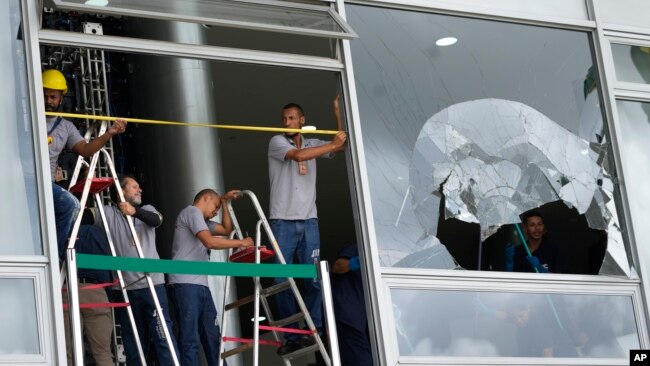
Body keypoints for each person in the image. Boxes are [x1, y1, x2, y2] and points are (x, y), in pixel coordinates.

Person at [268, 96, 347, 355]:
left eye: (291, 118)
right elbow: (299, 155)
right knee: (282, 279)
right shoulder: (277, 141)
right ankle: (293, 335)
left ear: (302, 120)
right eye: (284, 118)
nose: (287, 122)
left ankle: (315, 329)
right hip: (282, 222)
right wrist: (332, 145)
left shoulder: (313, 142)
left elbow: (342, 145)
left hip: (309, 220)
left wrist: (338, 112)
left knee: (314, 279)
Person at [85, 175, 179, 365]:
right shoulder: (109, 213)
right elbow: (84, 216)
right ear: (122, 190)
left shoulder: (147, 210)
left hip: (153, 284)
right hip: (125, 288)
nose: (140, 190)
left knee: (162, 337)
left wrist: (134, 211)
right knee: (132, 343)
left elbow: (157, 220)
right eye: (134, 187)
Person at [42, 69, 127, 257]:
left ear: (61, 98)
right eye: (45, 95)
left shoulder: (66, 127)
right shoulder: (26, 116)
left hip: (45, 184)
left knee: (71, 206)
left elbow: (86, 150)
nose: (48, 101)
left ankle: (55, 256)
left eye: (53, 97)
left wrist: (109, 133)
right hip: (22, 179)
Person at [168, 189, 254, 365]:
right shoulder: (192, 212)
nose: (216, 212)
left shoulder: (202, 220)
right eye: (215, 207)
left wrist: (223, 202)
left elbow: (225, 229)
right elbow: (210, 242)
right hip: (185, 283)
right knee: (190, 338)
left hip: (200, 285)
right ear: (205, 198)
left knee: (212, 338)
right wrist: (241, 243)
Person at [62, 225, 114, 366]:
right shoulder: (97, 234)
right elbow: (108, 269)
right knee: (102, 352)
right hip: (95, 291)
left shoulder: (62, 231)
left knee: (69, 352)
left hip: (67, 290)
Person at [330, 244, 373, 366]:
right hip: (350, 313)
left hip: (369, 315)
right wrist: (358, 261)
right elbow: (337, 266)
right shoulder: (361, 246)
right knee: (359, 359)